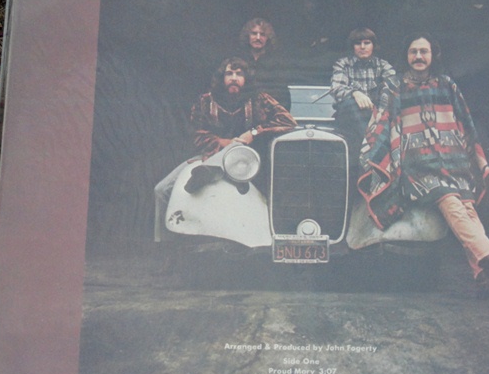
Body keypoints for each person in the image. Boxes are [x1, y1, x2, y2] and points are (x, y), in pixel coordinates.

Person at [358, 33, 489, 299]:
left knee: (467, 208)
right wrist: (374, 154)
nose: (418, 57)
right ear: (406, 56)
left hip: (452, 159)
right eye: (413, 52)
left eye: (424, 51)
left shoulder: (447, 84)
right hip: (417, 164)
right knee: (451, 202)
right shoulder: (394, 86)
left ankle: (483, 278)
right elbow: (382, 121)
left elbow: (464, 122)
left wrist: (469, 155)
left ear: (433, 55)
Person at [154, 57, 296, 240]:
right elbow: (194, 133)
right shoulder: (205, 101)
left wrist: (253, 132)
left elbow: (288, 122)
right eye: (229, 73)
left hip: (247, 164)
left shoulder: (259, 99)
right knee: (162, 190)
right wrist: (224, 142)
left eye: (239, 74)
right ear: (222, 78)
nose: (234, 78)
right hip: (209, 155)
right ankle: (165, 246)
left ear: (246, 78)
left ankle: (213, 170)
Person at [329, 27, 399, 173]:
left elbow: (394, 87)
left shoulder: (383, 65)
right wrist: (355, 93)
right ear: (352, 46)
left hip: (377, 118)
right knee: (349, 104)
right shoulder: (343, 64)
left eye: (367, 43)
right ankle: (370, 149)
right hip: (349, 121)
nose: (362, 47)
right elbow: (336, 88)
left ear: (373, 45)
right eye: (358, 43)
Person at [237, 18, 291, 110]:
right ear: (248, 36)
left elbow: (283, 96)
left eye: (262, 34)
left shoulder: (277, 64)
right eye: (254, 33)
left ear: (268, 38)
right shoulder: (238, 60)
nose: (258, 38)